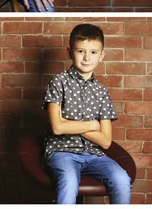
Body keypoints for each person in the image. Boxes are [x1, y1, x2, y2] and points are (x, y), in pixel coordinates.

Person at [42, 23, 132, 204]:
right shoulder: (59, 81)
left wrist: (70, 124)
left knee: (122, 179)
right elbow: (57, 128)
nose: (86, 58)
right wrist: (91, 125)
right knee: (69, 182)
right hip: (62, 152)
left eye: (93, 52)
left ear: (101, 56)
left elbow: (105, 141)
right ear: (69, 52)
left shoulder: (101, 91)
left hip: (93, 155)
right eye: (80, 51)